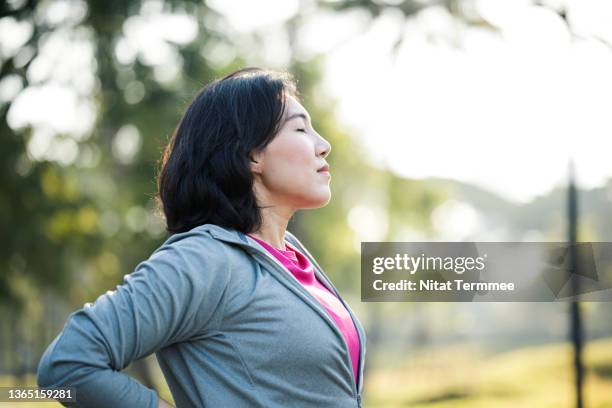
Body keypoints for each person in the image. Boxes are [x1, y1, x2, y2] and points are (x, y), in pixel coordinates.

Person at [37, 67, 366, 408]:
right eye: (300, 128)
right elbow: (67, 366)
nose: (323, 145)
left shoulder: (293, 256)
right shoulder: (206, 260)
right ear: (251, 153)